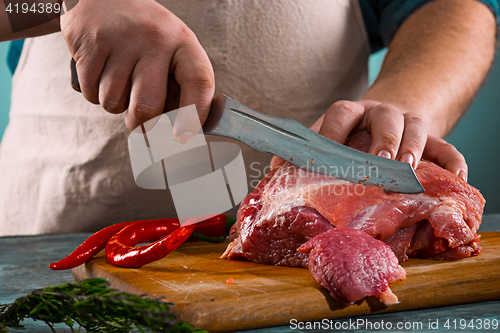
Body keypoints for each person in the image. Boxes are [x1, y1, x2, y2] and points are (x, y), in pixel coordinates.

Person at [0, 0, 497, 236]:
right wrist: (68, 2)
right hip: (52, 251)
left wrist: (403, 103)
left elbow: (451, 7)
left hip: (310, 257)